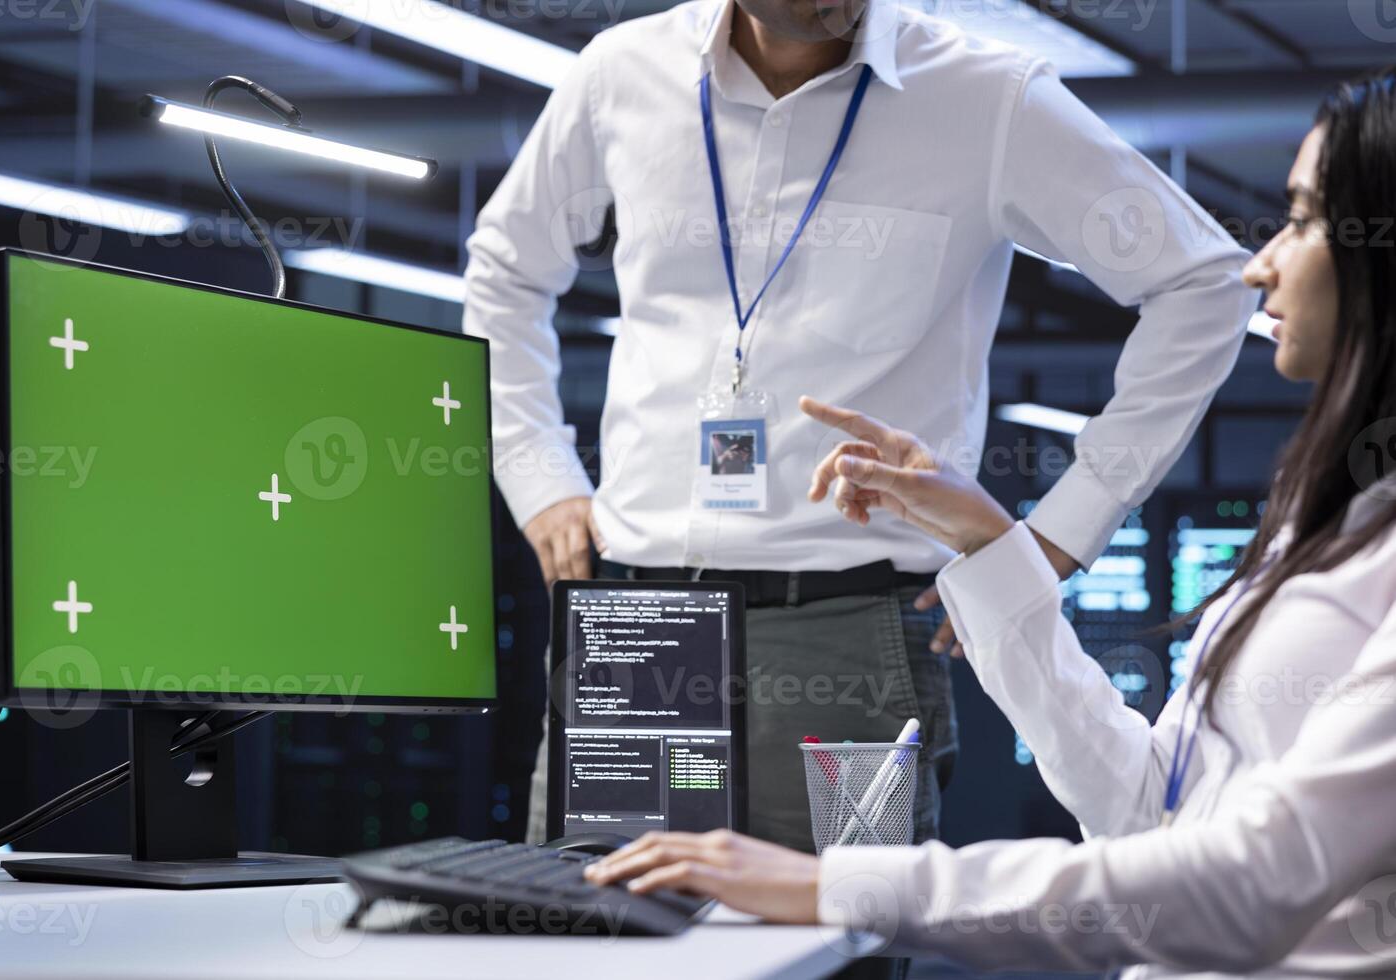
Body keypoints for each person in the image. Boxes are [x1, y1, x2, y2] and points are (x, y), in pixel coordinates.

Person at [583, 70, 1396, 977]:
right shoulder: (1330, 532)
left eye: (1305, 217)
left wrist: (839, 885)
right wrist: (990, 544)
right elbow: (1144, 810)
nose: (1262, 260)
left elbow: (1248, 889)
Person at [463, 0, 1257, 851]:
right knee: (592, 945)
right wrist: (539, 474)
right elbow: (506, 270)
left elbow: (1205, 284)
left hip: (850, 647)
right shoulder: (620, 73)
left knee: (844, 948)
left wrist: (1061, 531)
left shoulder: (986, 96)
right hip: (638, 630)